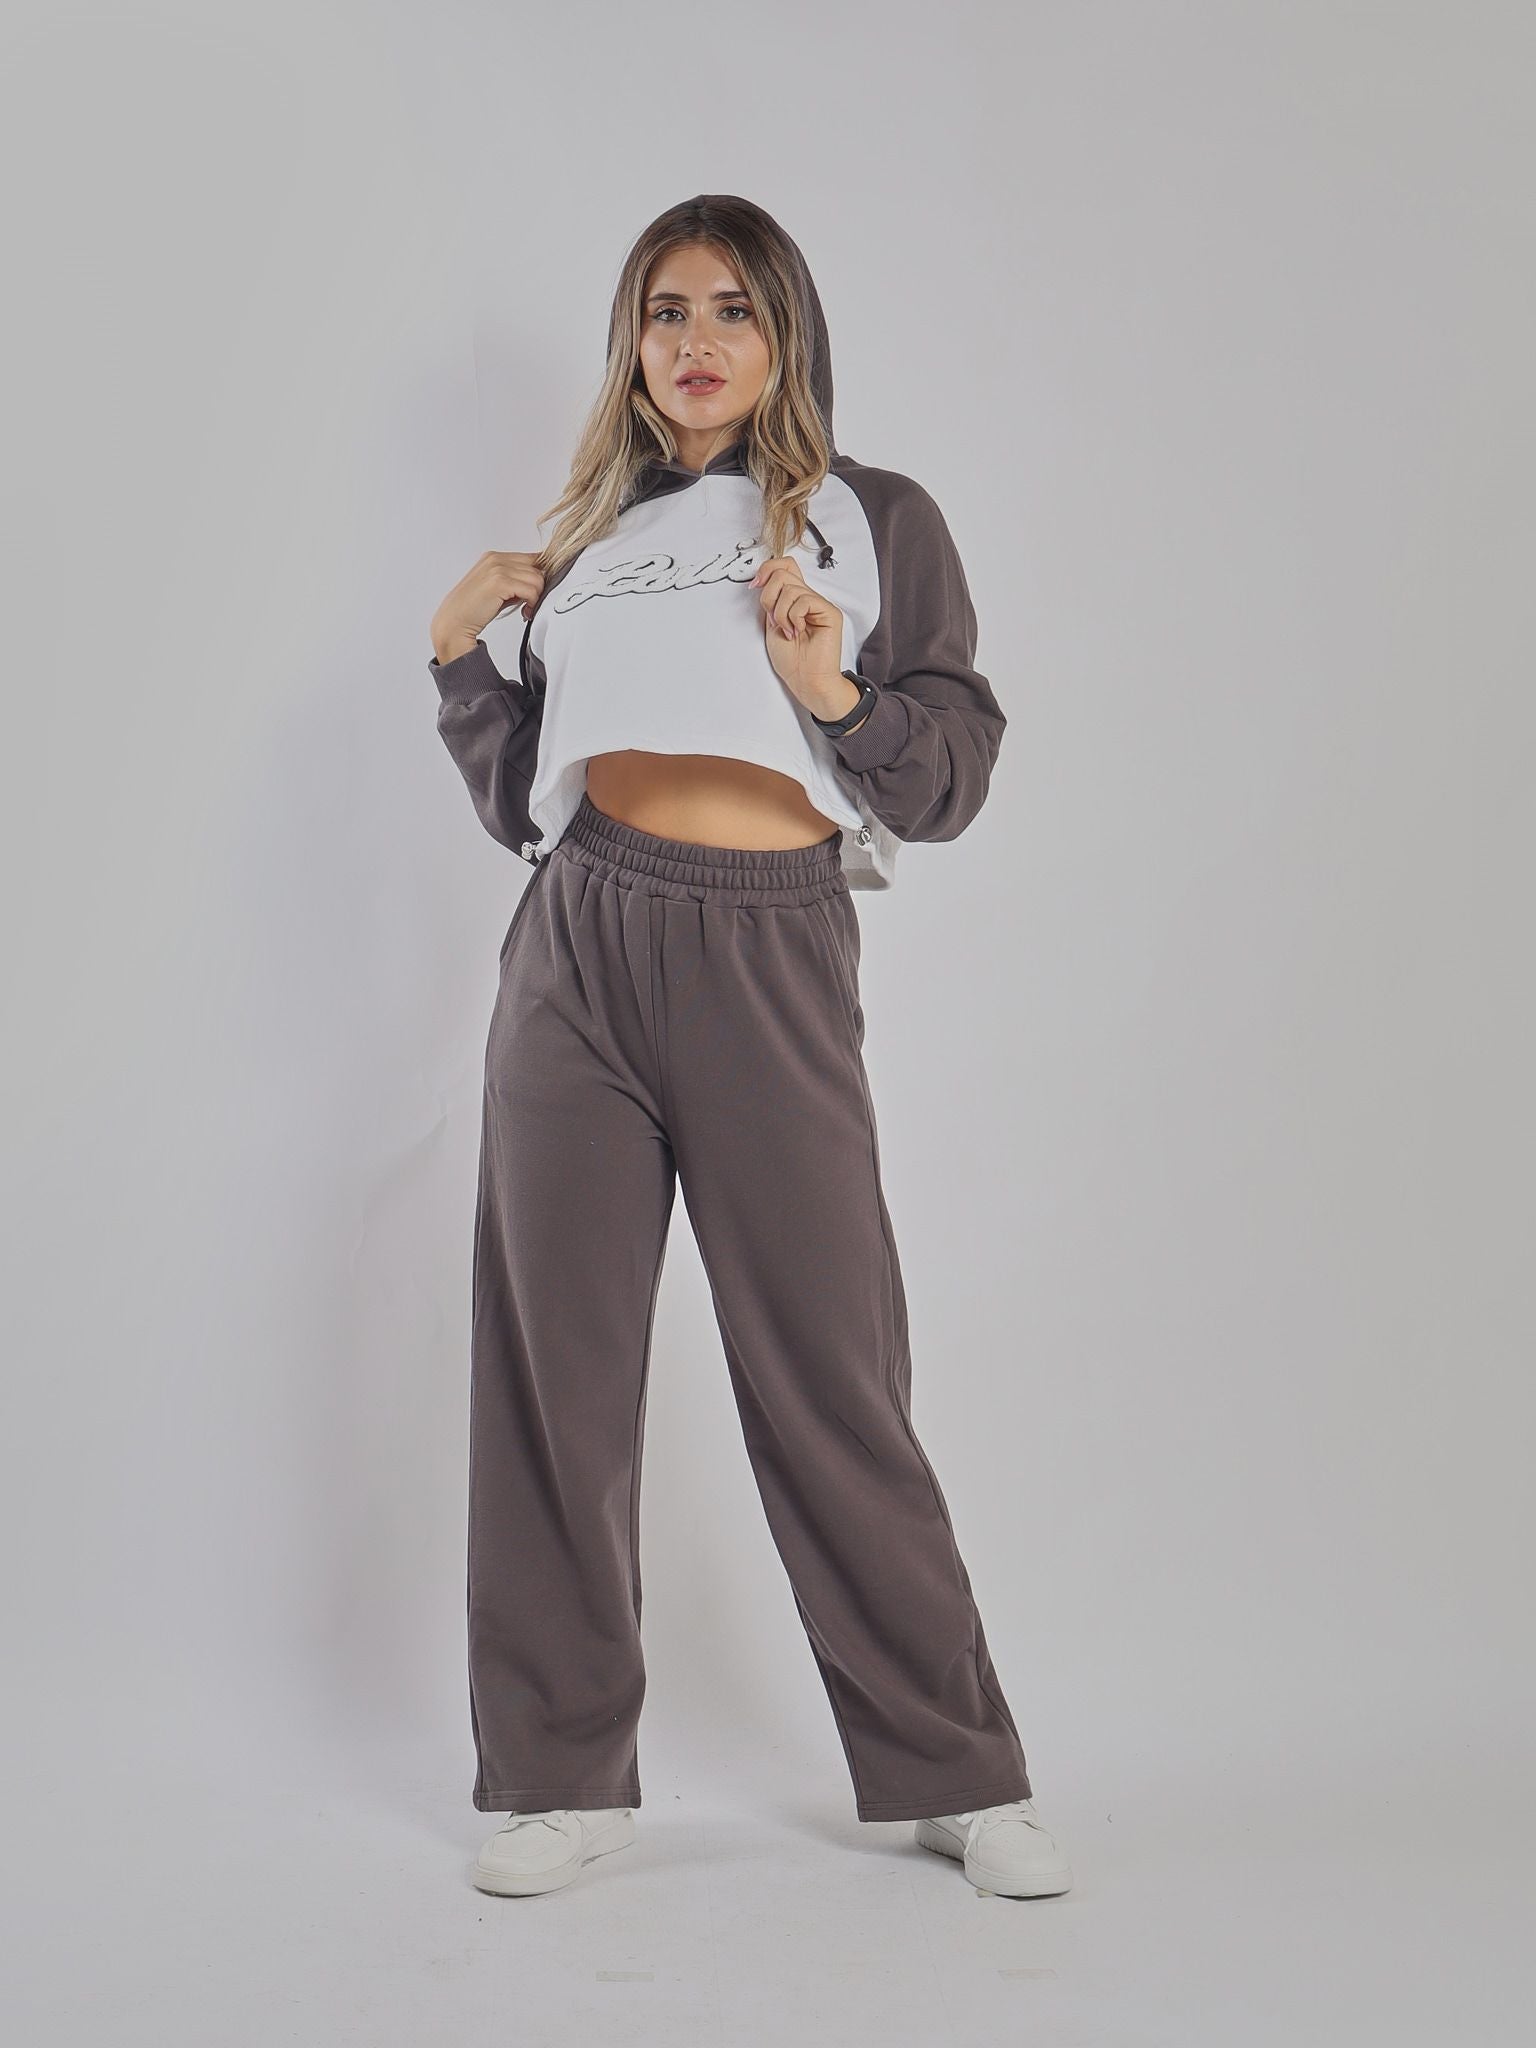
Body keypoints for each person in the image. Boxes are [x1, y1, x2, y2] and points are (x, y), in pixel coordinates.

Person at [426, 194, 1073, 1902]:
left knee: (830, 1369)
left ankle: (953, 1766)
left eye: (731, 308)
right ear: (631, 345)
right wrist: (460, 660)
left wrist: (836, 694)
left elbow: (950, 777)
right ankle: (558, 1777)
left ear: (785, 335)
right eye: (665, 311)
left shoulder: (873, 519)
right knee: (555, 1374)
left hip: (769, 946)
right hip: (577, 944)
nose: (695, 341)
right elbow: (525, 799)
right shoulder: (591, 543)